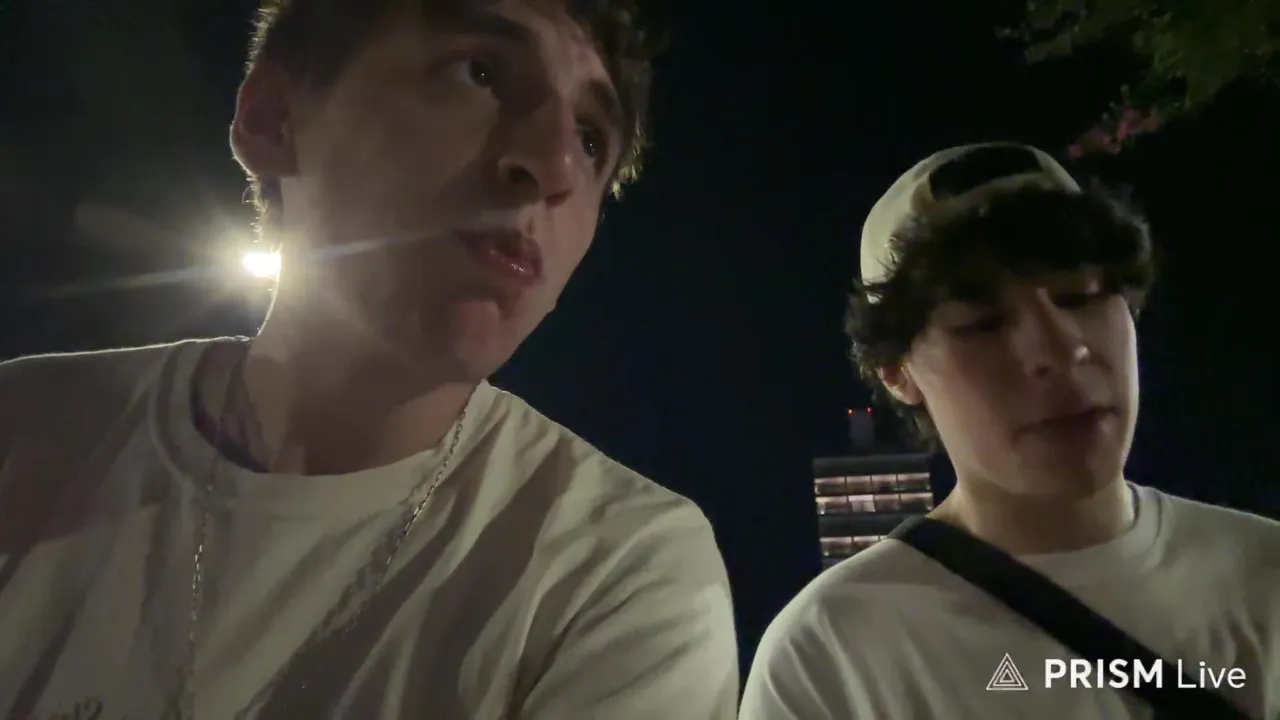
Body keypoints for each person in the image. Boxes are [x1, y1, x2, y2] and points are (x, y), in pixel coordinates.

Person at [0, 1, 739, 718]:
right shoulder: (26, 433)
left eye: (591, 139)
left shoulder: (615, 568)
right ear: (273, 120)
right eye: (481, 72)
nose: (553, 166)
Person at [739, 142, 1280, 719]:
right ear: (896, 373)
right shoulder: (830, 657)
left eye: (1082, 296)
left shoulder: (1263, 576)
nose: (1061, 348)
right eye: (984, 324)